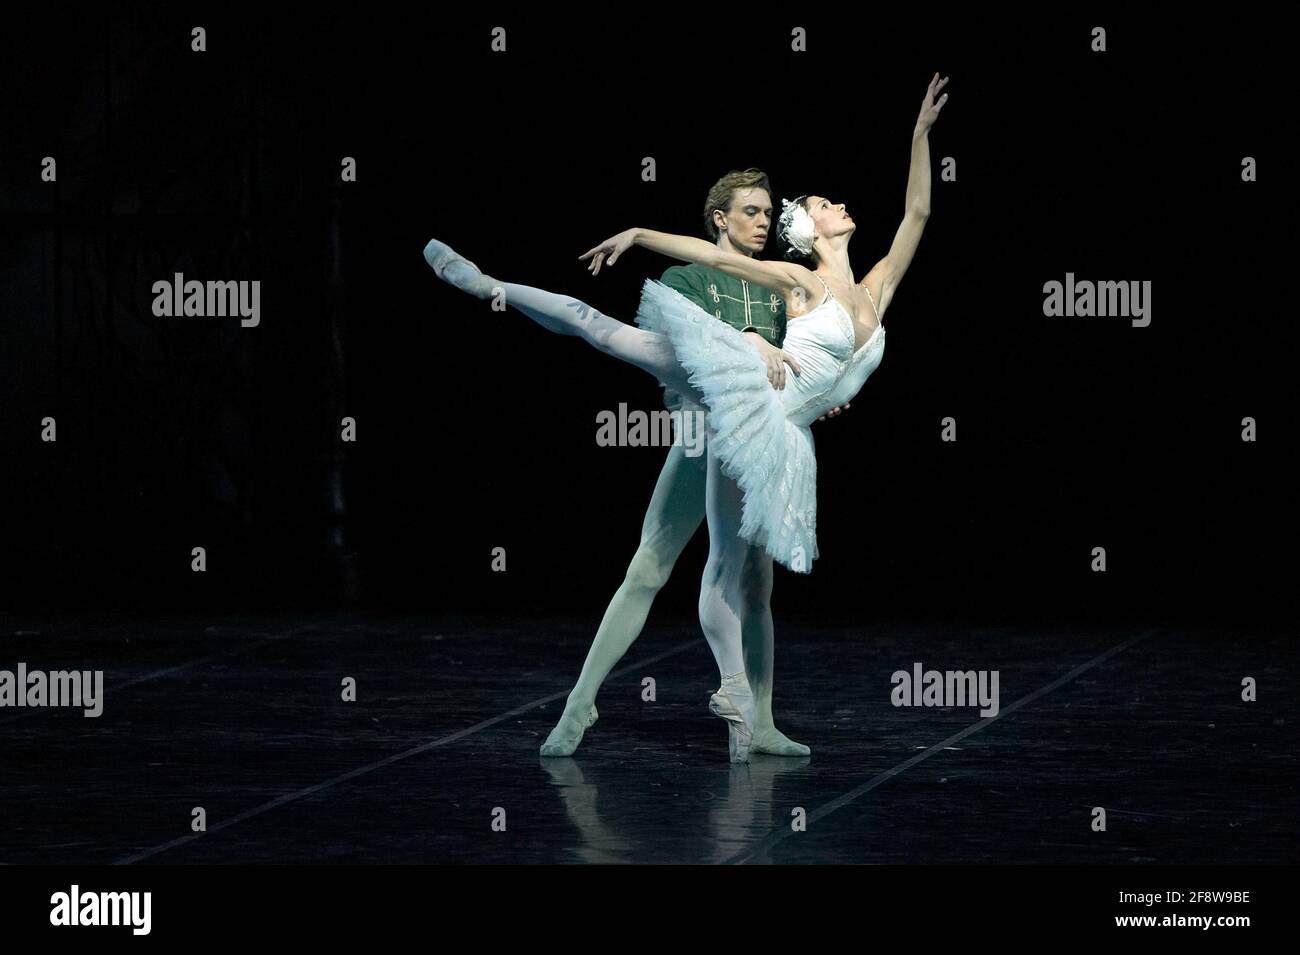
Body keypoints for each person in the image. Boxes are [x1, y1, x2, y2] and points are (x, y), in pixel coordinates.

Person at [426, 73, 948, 759]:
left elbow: (916, 217)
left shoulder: (865, 286)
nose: (764, 220)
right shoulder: (788, 283)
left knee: (742, 575)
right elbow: (711, 271)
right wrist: (642, 233)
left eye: (771, 210)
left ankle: (751, 719)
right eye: (757, 211)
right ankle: (491, 284)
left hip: (774, 430)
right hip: (723, 406)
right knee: (604, 336)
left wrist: (918, 136)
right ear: (734, 220)